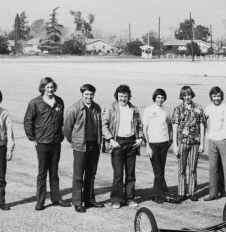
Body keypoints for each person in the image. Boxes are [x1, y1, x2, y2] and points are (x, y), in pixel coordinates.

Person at [24, 76, 69, 210]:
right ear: (42, 88)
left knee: (54, 172)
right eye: (47, 87)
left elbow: (61, 120)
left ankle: (56, 198)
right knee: (42, 172)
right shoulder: (35, 103)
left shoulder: (59, 101)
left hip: (56, 142)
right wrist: (33, 138)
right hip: (42, 142)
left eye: (52, 87)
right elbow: (28, 121)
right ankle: (40, 201)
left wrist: (61, 135)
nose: (50, 89)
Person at [101, 84, 144, 209]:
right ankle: (116, 200)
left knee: (130, 173)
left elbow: (139, 125)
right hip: (117, 143)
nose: (123, 99)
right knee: (118, 174)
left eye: (125, 96)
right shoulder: (111, 108)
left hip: (131, 143)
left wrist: (141, 138)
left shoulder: (134, 109)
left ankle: (130, 198)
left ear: (129, 96)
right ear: (117, 96)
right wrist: (111, 140)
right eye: (121, 96)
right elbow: (104, 125)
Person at [63, 83, 103, 213]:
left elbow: (100, 126)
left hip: (94, 146)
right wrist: (74, 141)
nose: (89, 97)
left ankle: (89, 199)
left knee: (91, 174)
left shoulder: (97, 108)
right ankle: (77, 202)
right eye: (86, 94)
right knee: (78, 175)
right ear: (82, 94)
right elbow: (67, 128)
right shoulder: (74, 108)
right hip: (80, 146)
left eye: (91, 94)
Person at [171, 85, 206, 202]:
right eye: (185, 95)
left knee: (192, 169)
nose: (187, 97)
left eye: (189, 94)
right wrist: (175, 145)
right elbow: (175, 127)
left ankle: (192, 192)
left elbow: (202, 125)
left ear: (192, 95)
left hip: (195, 143)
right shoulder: (178, 109)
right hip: (182, 143)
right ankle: (181, 193)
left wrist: (202, 143)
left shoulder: (198, 108)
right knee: (181, 169)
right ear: (182, 96)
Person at [142, 88, 173, 203]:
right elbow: (144, 129)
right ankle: (160, 194)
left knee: (160, 170)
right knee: (158, 171)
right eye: (158, 97)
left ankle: (159, 193)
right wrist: (147, 146)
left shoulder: (166, 110)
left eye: (162, 97)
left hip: (164, 143)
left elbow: (169, 124)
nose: (160, 99)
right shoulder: (148, 110)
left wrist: (170, 139)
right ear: (154, 98)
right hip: (153, 144)